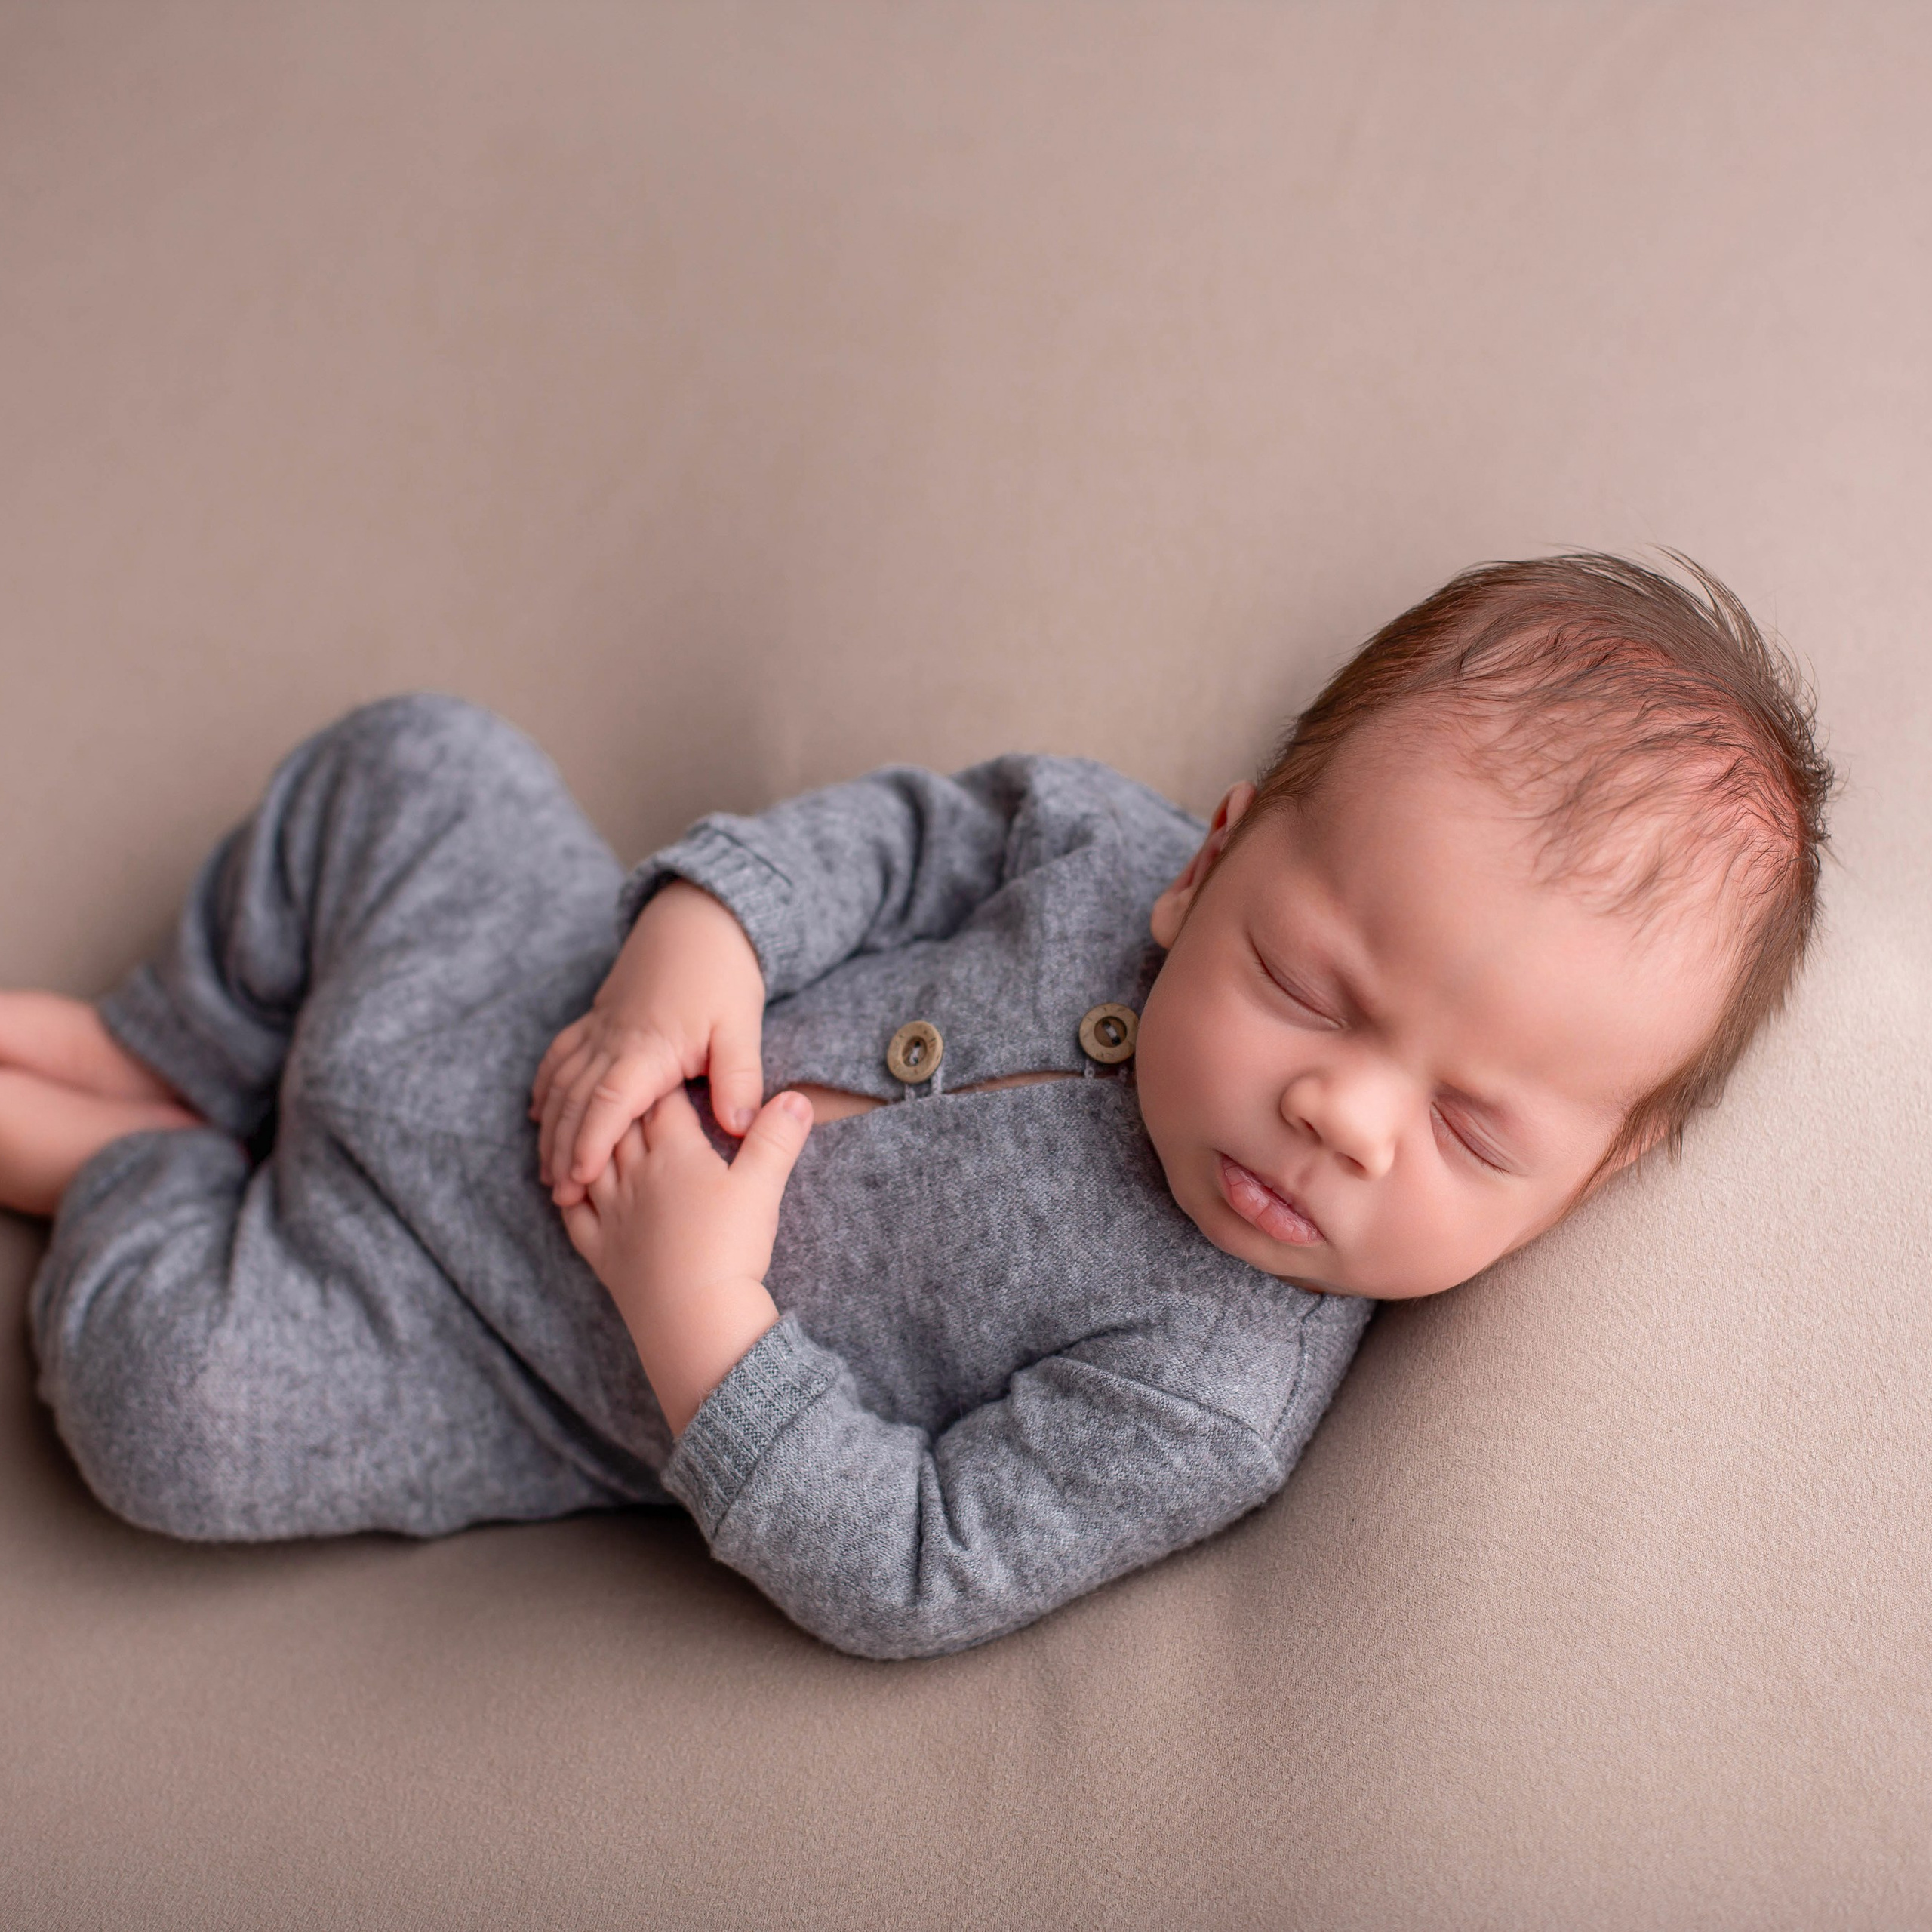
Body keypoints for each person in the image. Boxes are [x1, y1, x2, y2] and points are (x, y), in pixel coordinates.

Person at [3, 553, 1834, 1659]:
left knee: (180, 1414)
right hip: (539, 984)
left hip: (486, 1355)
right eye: (1304, 984)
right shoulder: (1091, 843)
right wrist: (699, 934)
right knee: (418, 753)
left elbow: (914, 1563)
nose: (1338, 1114)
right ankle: (198, 1042)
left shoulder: (1203, 1388)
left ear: (1593, 1180)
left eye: (1473, 1133)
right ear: (1205, 863)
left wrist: (695, 1316)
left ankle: (146, 1164)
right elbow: (896, 840)